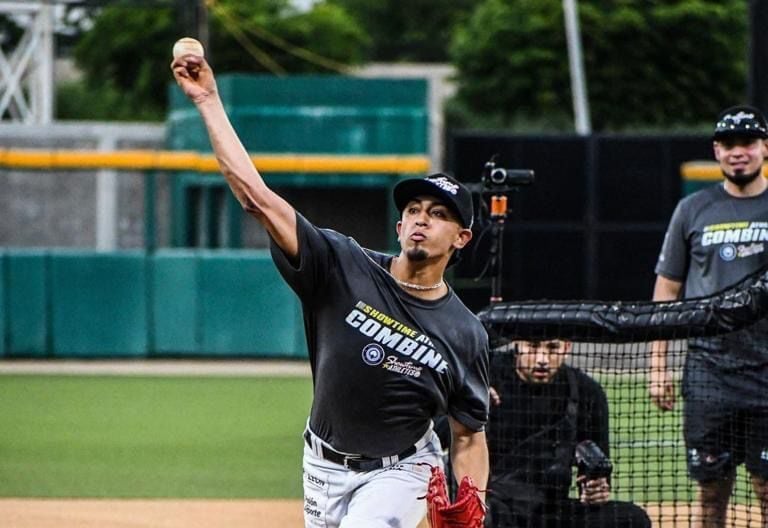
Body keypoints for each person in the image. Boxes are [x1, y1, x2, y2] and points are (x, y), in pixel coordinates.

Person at [171, 51, 489, 528]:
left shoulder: (464, 332)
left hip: (403, 470)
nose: (423, 218)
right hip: (321, 466)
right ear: (400, 224)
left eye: (440, 213)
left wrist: (475, 505)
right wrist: (209, 102)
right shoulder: (342, 264)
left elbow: (468, 435)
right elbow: (258, 200)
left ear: (461, 238)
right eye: (416, 209)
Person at [650, 105, 768, 527]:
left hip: (766, 371)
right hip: (708, 372)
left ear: (763, 149)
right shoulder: (693, 209)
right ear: (717, 151)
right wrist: (658, 365)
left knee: (766, 486)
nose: (739, 153)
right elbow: (667, 288)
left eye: (748, 143)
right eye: (729, 144)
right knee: (711, 490)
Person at [486, 339, 651, 528]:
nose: (542, 359)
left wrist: (594, 489)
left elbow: (595, 471)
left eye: (552, 348)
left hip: (551, 511)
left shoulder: (586, 392)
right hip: (492, 507)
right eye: (533, 346)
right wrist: (473, 406)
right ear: (518, 345)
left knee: (631, 519)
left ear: (567, 347)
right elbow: (446, 436)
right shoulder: (487, 375)